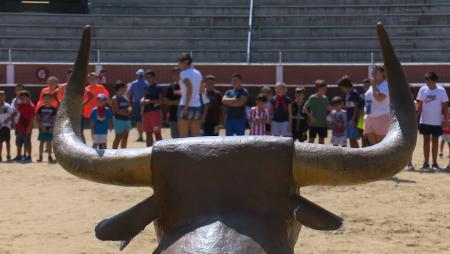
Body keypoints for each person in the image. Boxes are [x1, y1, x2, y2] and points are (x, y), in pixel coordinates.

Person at [416, 72, 449, 172]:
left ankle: (434, 163)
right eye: (426, 81)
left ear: (435, 81)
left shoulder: (441, 90)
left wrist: (445, 120)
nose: (427, 83)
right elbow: (419, 104)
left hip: (436, 121)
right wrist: (416, 116)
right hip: (424, 120)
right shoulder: (422, 89)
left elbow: (445, 107)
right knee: (426, 142)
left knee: (435, 142)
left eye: (429, 81)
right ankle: (426, 163)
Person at [177, 53, 204, 138]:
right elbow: (202, 90)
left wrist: (186, 105)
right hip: (197, 105)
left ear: (186, 61)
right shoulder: (198, 73)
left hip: (186, 105)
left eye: (180, 62)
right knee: (196, 133)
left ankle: (183, 152)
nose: (178, 64)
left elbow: (189, 88)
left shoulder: (183, 73)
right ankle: (198, 151)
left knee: (183, 135)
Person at [364, 66, 390, 146]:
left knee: (381, 144)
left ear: (382, 73)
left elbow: (379, 98)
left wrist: (374, 86)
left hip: (381, 117)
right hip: (369, 117)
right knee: (373, 145)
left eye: (375, 72)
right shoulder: (372, 86)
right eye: (372, 72)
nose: (373, 74)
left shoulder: (385, 85)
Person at [82, 72, 110, 142]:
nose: (92, 80)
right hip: (89, 113)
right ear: (88, 80)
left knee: (100, 127)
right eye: (90, 79)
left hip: (100, 111)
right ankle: (96, 142)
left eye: (94, 78)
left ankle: (100, 143)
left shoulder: (101, 87)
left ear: (97, 79)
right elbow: (82, 100)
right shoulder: (86, 89)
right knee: (93, 128)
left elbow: (107, 97)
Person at [337, 75, 362, 148]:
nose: (341, 90)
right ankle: (354, 155)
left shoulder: (353, 93)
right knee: (351, 139)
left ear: (346, 86)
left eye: (342, 88)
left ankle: (357, 155)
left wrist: (353, 120)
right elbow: (350, 107)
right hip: (349, 120)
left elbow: (357, 107)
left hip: (353, 121)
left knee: (353, 139)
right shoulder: (348, 94)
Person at [141, 70, 163, 147]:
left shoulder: (158, 87)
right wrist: (143, 102)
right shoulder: (146, 88)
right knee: (148, 133)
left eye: (149, 77)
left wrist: (149, 101)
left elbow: (160, 101)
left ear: (154, 77)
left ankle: (162, 152)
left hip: (155, 113)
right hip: (146, 112)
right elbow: (145, 99)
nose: (147, 79)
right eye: (146, 77)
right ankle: (148, 152)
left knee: (157, 133)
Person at [304, 80, 330, 144]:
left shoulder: (325, 98)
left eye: (326, 88)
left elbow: (328, 108)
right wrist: (311, 117)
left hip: (323, 124)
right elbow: (304, 108)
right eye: (324, 88)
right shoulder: (312, 97)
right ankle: (308, 154)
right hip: (313, 124)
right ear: (319, 88)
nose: (326, 90)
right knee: (311, 141)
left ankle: (321, 154)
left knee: (321, 142)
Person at [127, 69, 149, 142]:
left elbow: (128, 94)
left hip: (136, 103)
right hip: (145, 102)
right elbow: (147, 93)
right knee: (144, 119)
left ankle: (140, 136)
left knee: (138, 120)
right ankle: (147, 135)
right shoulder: (146, 83)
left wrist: (130, 104)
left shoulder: (133, 83)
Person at [36, 92, 57, 163]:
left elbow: (54, 119)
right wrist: (41, 127)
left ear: (51, 99)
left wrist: (52, 127)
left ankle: (49, 156)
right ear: (43, 99)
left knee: (49, 142)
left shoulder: (53, 109)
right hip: (42, 128)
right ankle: (40, 156)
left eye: (48, 98)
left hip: (50, 127)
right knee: (41, 142)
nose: (46, 100)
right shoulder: (40, 108)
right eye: (45, 99)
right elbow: (38, 119)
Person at [14, 90, 35, 162]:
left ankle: (29, 156)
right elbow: (16, 106)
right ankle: (19, 156)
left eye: (24, 98)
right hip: (19, 127)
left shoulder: (31, 106)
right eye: (21, 98)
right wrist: (17, 96)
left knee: (27, 142)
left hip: (27, 127)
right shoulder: (21, 105)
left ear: (28, 98)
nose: (22, 99)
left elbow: (32, 118)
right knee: (19, 142)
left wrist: (29, 127)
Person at [111, 81, 132, 149]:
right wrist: (127, 111)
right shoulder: (115, 98)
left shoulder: (125, 97)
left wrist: (129, 109)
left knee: (125, 137)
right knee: (118, 137)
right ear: (120, 88)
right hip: (119, 120)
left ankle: (123, 152)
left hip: (127, 119)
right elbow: (117, 111)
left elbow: (130, 106)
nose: (126, 89)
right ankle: (113, 153)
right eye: (124, 88)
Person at [164, 67, 181, 139]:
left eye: (179, 73)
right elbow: (165, 101)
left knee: (186, 138)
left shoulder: (186, 86)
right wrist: (175, 102)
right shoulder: (170, 87)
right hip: (173, 116)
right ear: (172, 75)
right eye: (175, 73)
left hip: (185, 117)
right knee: (175, 138)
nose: (177, 75)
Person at [0, 91, 14, 162]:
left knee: (7, 141)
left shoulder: (8, 106)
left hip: (6, 127)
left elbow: (12, 115)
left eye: (2, 96)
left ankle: (8, 155)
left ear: (5, 97)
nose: (1, 98)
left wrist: (5, 122)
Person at [358, 79, 371, 147]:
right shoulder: (361, 97)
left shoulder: (374, 96)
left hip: (371, 120)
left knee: (371, 139)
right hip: (362, 121)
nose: (366, 88)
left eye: (367, 86)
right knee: (363, 138)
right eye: (364, 86)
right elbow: (359, 109)